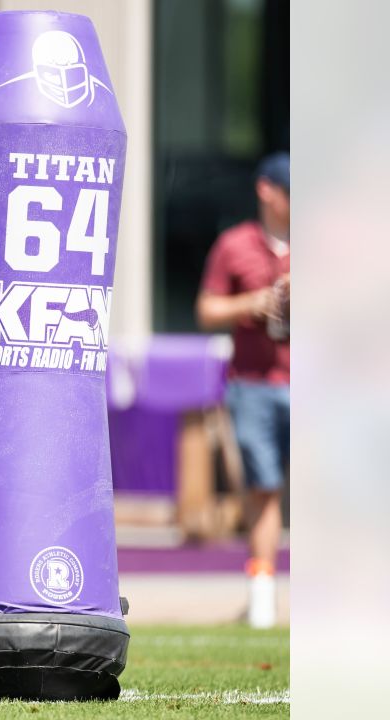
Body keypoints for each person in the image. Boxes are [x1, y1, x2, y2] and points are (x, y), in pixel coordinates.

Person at [195, 152, 290, 629]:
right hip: (253, 383)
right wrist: (254, 301)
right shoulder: (236, 244)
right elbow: (207, 310)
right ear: (267, 191)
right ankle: (262, 592)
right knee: (264, 491)